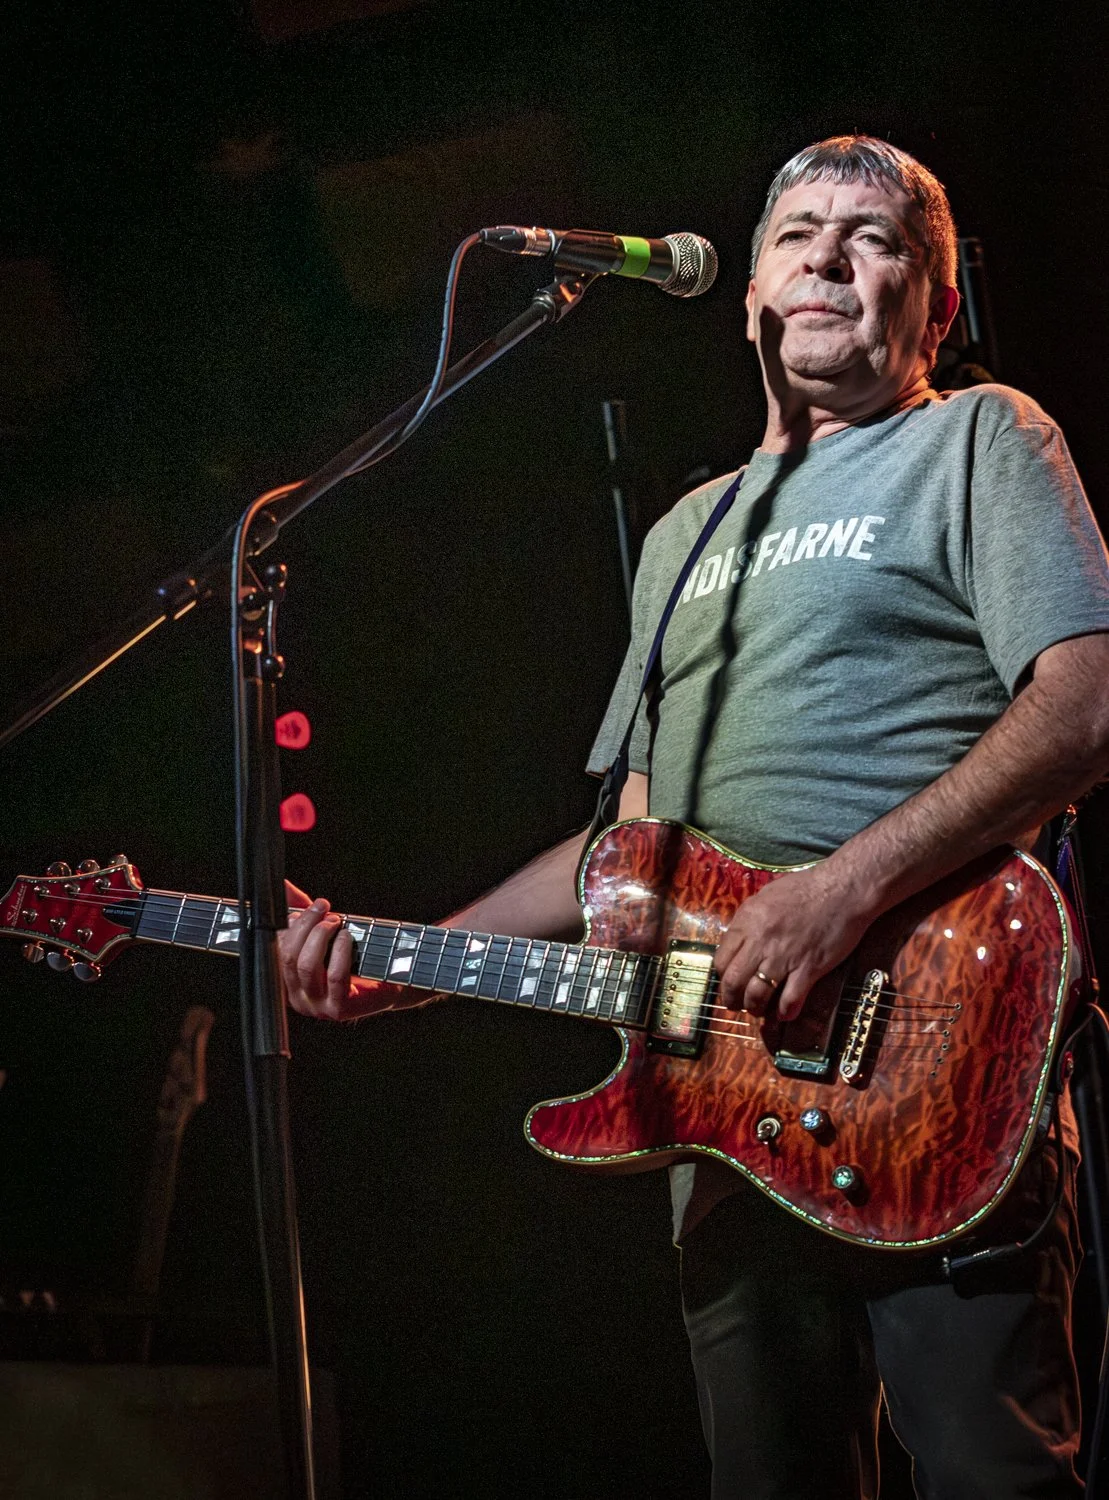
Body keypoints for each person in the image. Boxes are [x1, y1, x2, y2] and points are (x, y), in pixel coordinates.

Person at [280, 137, 1109, 1498]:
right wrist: (401, 962)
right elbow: (630, 847)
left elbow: (1083, 705)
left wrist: (839, 893)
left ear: (935, 308)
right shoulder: (682, 537)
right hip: (724, 1113)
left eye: (874, 238)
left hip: (947, 1059)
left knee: (992, 1476)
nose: (828, 257)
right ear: (752, 298)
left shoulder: (979, 437)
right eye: (797, 235)